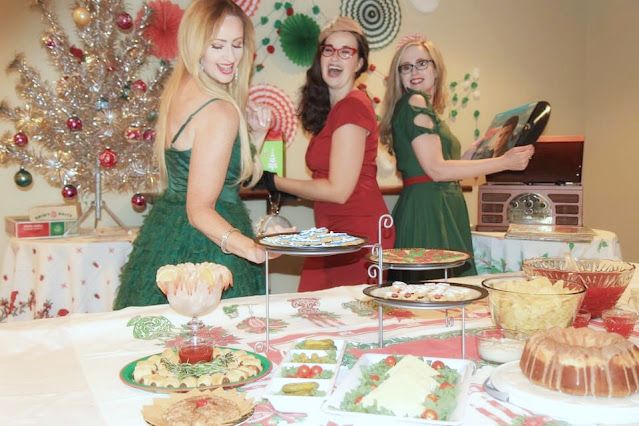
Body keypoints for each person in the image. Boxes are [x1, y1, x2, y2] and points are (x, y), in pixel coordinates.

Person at [114, 0, 271, 309]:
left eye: (237, 45)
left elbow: (217, 176)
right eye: (217, 46)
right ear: (196, 44)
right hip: (211, 248)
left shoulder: (180, 91)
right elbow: (199, 209)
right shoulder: (219, 109)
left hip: (166, 232)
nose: (230, 57)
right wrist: (251, 249)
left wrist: (255, 135)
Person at [379, 35, 534, 280]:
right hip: (430, 210)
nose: (414, 71)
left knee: (432, 296)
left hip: (436, 205)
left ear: (436, 68)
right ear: (399, 75)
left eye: (421, 63)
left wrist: (470, 155)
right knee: (435, 295)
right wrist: (504, 162)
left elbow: (433, 167)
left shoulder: (422, 107)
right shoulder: (415, 101)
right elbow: (437, 171)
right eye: (406, 67)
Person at [262, 17, 395, 291]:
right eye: (329, 49)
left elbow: (338, 190)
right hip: (333, 231)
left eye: (346, 51)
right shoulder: (335, 110)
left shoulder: (352, 106)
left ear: (359, 64)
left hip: (357, 233)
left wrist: (274, 182)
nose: (336, 57)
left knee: (338, 319)